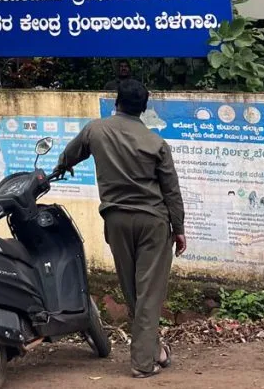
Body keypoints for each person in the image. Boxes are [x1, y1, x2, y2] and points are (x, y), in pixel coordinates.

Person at [53, 80, 185, 379]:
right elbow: (171, 191)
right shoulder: (155, 143)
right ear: (144, 108)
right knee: (149, 293)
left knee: (133, 290)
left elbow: (71, 154)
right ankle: (142, 363)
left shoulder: (96, 129)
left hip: (116, 221)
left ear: (117, 102)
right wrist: (178, 228)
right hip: (152, 221)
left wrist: (61, 167)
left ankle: (153, 350)